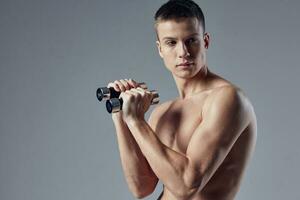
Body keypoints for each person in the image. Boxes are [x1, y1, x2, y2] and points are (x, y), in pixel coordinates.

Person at [107, 0, 257, 199]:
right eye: (171, 42)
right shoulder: (163, 112)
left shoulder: (227, 99)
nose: (183, 52)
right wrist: (122, 118)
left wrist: (137, 121)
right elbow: (142, 187)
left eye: (191, 40)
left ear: (205, 41)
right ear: (160, 49)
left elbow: (188, 184)